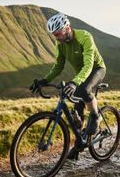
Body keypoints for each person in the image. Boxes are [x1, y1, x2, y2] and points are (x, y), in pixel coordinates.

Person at [30, 13, 106, 157]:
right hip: (81, 73)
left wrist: (74, 82)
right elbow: (58, 65)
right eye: (54, 35)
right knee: (77, 111)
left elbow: (88, 65)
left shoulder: (85, 37)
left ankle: (96, 116)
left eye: (58, 34)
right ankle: (79, 144)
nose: (57, 38)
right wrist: (44, 80)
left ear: (67, 28)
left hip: (96, 69)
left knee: (84, 89)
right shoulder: (61, 44)